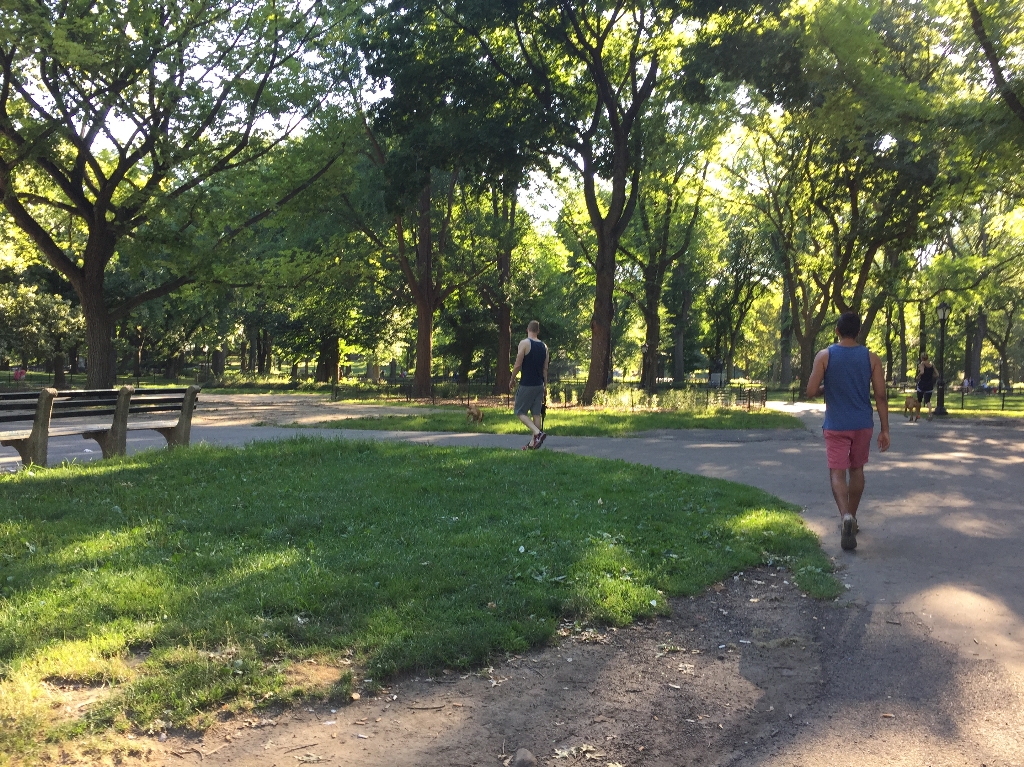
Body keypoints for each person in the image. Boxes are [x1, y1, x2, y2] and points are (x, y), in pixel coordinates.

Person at [806, 312, 890, 551]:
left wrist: (826, 388)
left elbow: (810, 391)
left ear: (837, 331)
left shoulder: (825, 356)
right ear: (858, 332)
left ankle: (845, 517)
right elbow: (881, 396)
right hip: (862, 423)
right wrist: (885, 429)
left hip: (836, 424)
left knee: (837, 472)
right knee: (857, 470)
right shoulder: (872, 358)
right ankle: (852, 517)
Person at [510, 320, 549, 450]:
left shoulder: (525, 343)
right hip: (539, 384)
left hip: (527, 384)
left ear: (527, 329)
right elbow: (545, 369)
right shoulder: (544, 346)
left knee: (519, 411)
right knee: (536, 413)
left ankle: (538, 433)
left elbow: (517, 364)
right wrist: (545, 386)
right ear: (538, 331)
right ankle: (533, 444)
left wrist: (512, 379)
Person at [916, 353, 937, 419]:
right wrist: (931, 375)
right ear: (927, 358)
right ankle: (930, 414)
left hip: (922, 384)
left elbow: (922, 372)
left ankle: (918, 414)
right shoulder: (932, 365)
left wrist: (918, 376)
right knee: (928, 400)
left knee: (919, 400)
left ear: (922, 358)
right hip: (929, 384)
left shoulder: (921, 364)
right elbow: (937, 374)